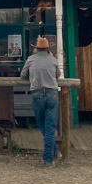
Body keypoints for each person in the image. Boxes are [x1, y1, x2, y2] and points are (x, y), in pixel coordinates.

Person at [21, 36, 61, 168]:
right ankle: (53, 153)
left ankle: (49, 158)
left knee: (41, 123)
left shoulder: (31, 59)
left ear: (36, 48)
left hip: (37, 93)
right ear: (48, 48)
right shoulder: (53, 60)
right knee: (50, 127)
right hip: (52, 93)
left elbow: (23, 76)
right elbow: (57, 75)